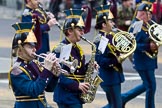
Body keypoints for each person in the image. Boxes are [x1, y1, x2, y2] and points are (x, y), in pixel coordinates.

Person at [8, 22, 64, 108]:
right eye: (30, 46)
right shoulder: (16, 70)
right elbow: (34, 91)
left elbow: (49, 88)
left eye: (35, 46)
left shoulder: (35, 63)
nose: (34, 49)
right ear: (19, 50)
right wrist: (46, 69)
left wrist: (54, 74)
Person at [52, 8, 98, 108]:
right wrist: (76, 85)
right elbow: (57, 75)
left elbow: (78, 70)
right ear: (70, 31)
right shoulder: (60, 49)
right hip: (66, 95)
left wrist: (89, 66)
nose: (83, 33)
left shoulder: (77, 48)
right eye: (79, 30)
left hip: (75, 95)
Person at [122, 2, 158, 108]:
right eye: (148, 14)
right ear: (142, 14)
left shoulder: (148, 23)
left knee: (147, 85)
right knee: (151, 86)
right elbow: (133, 45)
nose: (150, 16)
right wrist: (148, 46)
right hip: (142, 62)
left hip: (148, 61)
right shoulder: (137, 25)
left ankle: (124, 98)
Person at [93, 4, 125, 108]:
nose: (113, 23)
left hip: (114, 76)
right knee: (116, 105)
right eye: (110, 21)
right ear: (103, 24)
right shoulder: (100, 39)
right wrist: (116, 60)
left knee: (114, 104)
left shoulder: (111, 35)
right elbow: (99, 60)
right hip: (109, 78)